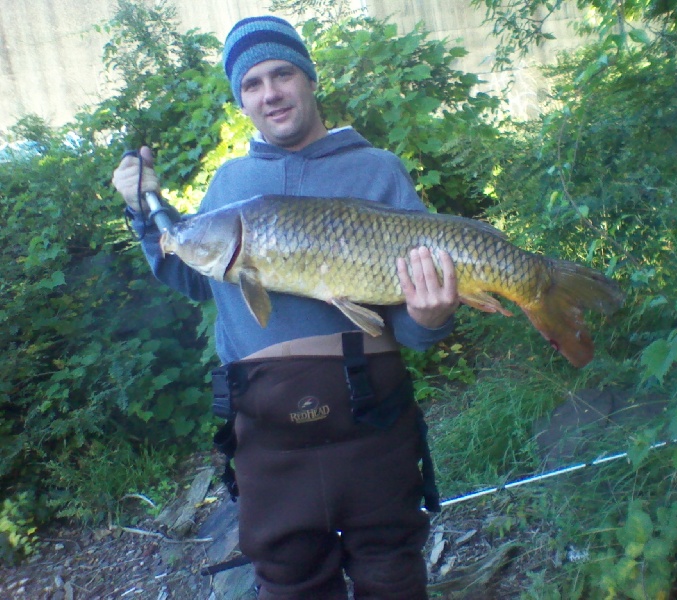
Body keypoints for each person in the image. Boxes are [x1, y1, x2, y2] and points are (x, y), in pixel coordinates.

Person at [112, 15, 460, 600]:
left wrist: (430, 317)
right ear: (241, 100)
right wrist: (146, 217)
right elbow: (200, 277)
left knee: (393, 573)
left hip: (372, 420)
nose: (269, 93)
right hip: (266, 433)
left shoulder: (377, 171)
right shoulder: (231, 183)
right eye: (252, 84)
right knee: (289, 581)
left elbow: (410, 322)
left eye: (282, 74)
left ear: (309, 79)